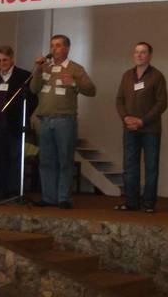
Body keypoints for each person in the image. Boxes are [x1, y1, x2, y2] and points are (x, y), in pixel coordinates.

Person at [30, 35, 96, 209]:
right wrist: (37, 69)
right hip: (45, 120)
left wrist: (74, 83)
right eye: (52, 45)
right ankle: (48, 197)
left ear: (66, 48)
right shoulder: (45, 67)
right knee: (46, 160)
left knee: (65, 160)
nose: (54, 49)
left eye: (58, 45)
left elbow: (91, 90)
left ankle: (63, 198)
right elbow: (33, 89)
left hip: (65, 120)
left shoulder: (75, 68)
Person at [114, 42, 168, 213]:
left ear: (149, 56)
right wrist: (125, 118)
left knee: (151, 167)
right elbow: (119, 100)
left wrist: (142, 121)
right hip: (129, 128)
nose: (139, 55)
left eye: (143, 52)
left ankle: (149, 203)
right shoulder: (127, 75)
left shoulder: (157, 76)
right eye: (137, 52)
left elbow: (162, 103)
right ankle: (131, 202)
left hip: (150, 129)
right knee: (130, 166)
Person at [0, 45, 37, 202]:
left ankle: (14, 191)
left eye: (5, 60)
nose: (2, 63)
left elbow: (33, 100)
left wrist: (23, 116)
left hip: (15, 124)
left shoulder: (24, 76)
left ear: (12, 59)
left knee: (15, 158)